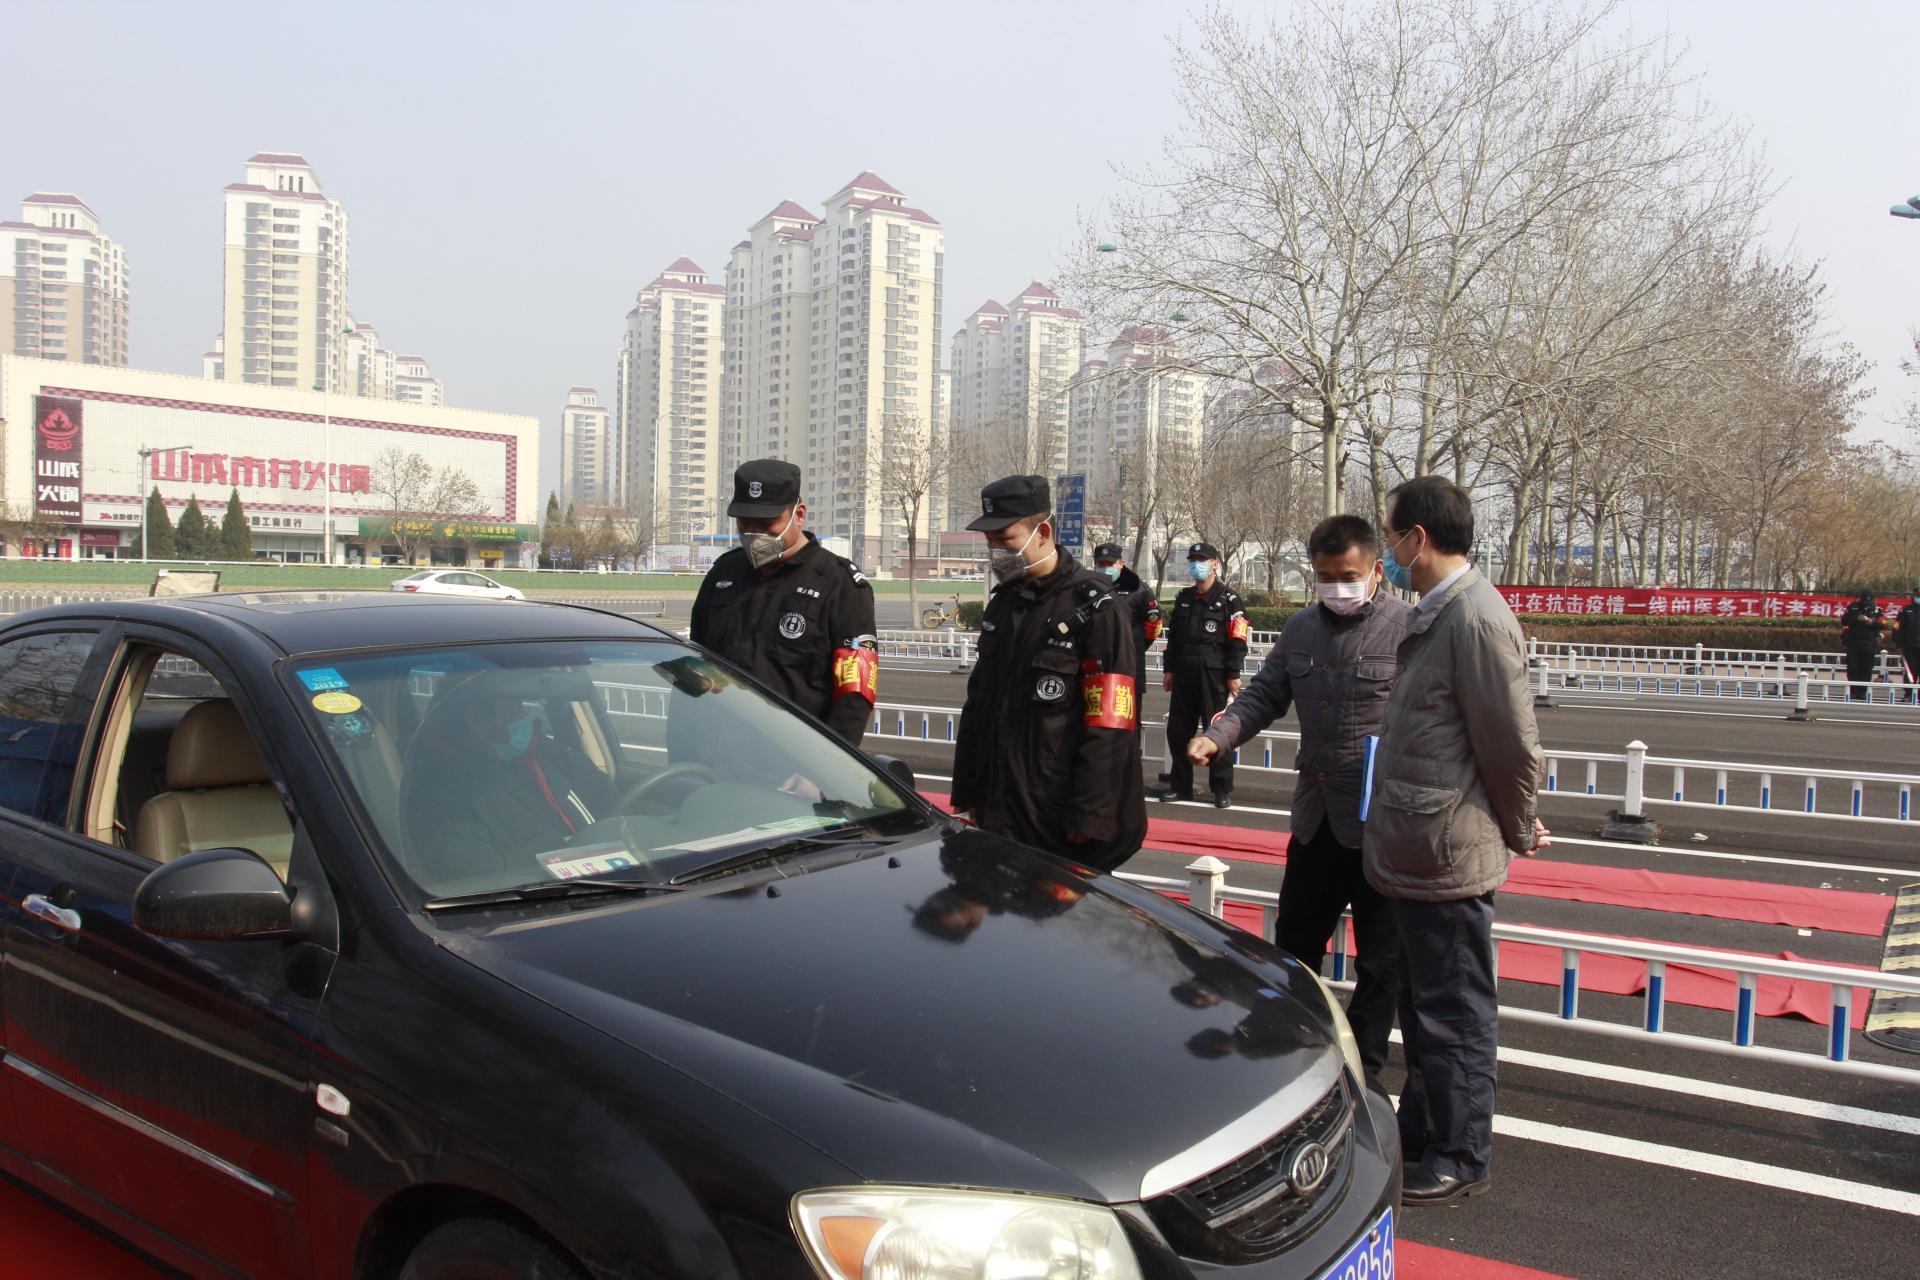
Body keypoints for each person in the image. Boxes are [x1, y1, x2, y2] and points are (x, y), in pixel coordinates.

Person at [1364, 475, 1547, 1207]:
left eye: (1390, 535)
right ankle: (1426, 1129)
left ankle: (1461, 1152)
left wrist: (1517, 825)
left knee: (1455, 1013)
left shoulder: (1474, 618)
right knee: (1424, 1007)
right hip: (1421, 844)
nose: (1387, 550)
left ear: (1418, 538)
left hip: (1448, 848)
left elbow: (1511, 745)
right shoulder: (1437, 611)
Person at [1188, 514, 1411, 1083]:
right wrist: (1218, 736)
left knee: (1381, 960)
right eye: (1325, 576)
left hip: (1383, 825)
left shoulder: (1408, 631)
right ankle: (1289, 1047)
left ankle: (1363, 1069)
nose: (1337, 587)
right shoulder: (1302, 629)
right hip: (1318, 818)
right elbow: (1263, 696)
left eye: (1348, 576)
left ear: (1376, 570)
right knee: (1295, 945)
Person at [949, 475, 1147, 872]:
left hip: (1056, 810)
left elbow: (1111, 722)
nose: (995, 551)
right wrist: (967, 790)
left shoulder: (1095, 608)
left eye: (1004, 539)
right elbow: (979, 704)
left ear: (1043, 532)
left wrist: (1089, 813)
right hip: (999, 800)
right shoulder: (1004, 602)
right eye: (989, 541)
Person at [689, 459, 878, 744]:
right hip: (717, 748)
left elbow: (855, 692)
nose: (754, 534)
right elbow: (697, 663)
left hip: (794, 754)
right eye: (745, 522)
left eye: (767, 524)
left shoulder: (839, 584)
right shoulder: (723, 574)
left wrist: (827, 763)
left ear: (798, 515)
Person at [403, 677, 619, 881]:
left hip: (612, 880)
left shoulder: (557, 757)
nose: (526, 719)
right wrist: (563, 848)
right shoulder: (440, 793)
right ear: (477, 724)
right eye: (515, 712)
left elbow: (617, 812)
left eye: (522, 708)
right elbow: (473, 870)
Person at [1162, 542, 1248, 808]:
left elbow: (1237, 639)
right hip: (1184, 670)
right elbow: (1174, 638)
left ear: (1214, 564)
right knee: (1178, 730)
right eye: (1193, 560)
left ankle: (1221, 788)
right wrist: (1169, 669)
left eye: (1202, 560)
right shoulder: (1184, 597)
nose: (1196, 565)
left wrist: (1233, 673)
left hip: (1213, 671)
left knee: (1216, 728)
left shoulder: (1230, 599)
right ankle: (1180, 785)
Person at [1092, 542, 1163, 659]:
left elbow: (1154, 625)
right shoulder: (1088, 588)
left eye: (1110, 564)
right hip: (1097, 656)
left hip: (1130, 656)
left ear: (1121, 564)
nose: (1105, 568)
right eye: (1101, 564)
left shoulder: (1139, 589)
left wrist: (1136, 646)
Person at [1839, 591, 1886, 703]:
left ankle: (1863, 691)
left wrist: (1871, 622)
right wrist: (1856, 618)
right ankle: (1853, 691)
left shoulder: (1877, 609)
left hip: (1869, 643)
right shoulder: (1853, 607)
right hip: (1853, 643)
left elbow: (1883, 624)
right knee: (1853, 668)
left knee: (1867, 668)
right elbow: (1844, 620)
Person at [1898, 587, 1920, 703]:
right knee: (1910, 672)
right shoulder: (1906, 610)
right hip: (1910, 646)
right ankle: (1908, 694)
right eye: (1918, 595)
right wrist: (1898, 643)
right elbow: (1898, 627)